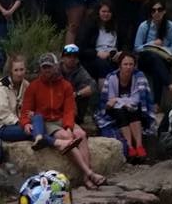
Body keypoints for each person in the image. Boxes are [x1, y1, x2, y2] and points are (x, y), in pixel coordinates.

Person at [19, 52, 106, 189]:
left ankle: (85, 177)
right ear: (40, 69)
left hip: (62, 118)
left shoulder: (65, 85)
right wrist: (26, 123)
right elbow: (25, 110)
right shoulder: (34, 86)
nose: (47, 70)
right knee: (66, 137)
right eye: (44, 67)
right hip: (47, 121)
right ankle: (89, 173)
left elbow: (69, 110)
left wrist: (68, 126)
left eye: (49, 67)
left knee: (81, 135)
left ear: (55, 66)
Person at [95, 50, 155, 162]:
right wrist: (121, 101)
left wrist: (118, 100)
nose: (128, 67)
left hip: (131, 108)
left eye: (131, 64)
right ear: (120, 65)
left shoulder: (138, 77)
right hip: (115, 110)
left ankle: (139, 146)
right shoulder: (112, 78)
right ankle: (130, 146)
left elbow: (136, 99)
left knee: (133, 111)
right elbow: (110, 100)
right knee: (121, 112)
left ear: (134, 65)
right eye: (125, 64)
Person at [134, 0, 172, 108]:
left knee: (157, 66)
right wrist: (152, 44)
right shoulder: (144, 26)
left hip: (164, 58)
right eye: (153, 10)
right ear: (150, 12)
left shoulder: (171, 26)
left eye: (159, 10)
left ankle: (156, 104)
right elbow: (137, 47)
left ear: (164, 11)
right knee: (154, 58)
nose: (156, 13)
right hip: (146, 59)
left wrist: (162, 49)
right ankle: (170, 86)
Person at [76, 0, 120, 80]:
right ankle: (104, 91)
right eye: (104, 11)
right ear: (98, 12)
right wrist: (97, 53)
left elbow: (124, 43)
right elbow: (81, 48)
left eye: (109, 12)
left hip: (113, 56)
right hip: (94, 57)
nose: (106, 14)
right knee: (103, 65)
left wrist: (120, 53)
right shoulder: (89, 26)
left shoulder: (116, 27)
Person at [0, 53, 31, 142]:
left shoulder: (26, 85)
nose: (19, 73)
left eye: (22, 69)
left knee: (40, 125)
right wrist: (22, 123)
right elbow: (4, 115)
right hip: (5, 127)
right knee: (32, 131)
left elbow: (31, 106)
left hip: (23, 122)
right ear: (10, 71)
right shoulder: (0, 89)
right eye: (16, 70)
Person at [59, 43, 97, 125]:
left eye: (74, 57)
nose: (72, 59)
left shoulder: (81, 71)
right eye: (69, 56)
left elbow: (92, 86)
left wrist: (76, 94)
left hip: (75, 107)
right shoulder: (55, 70)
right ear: (62, 58)